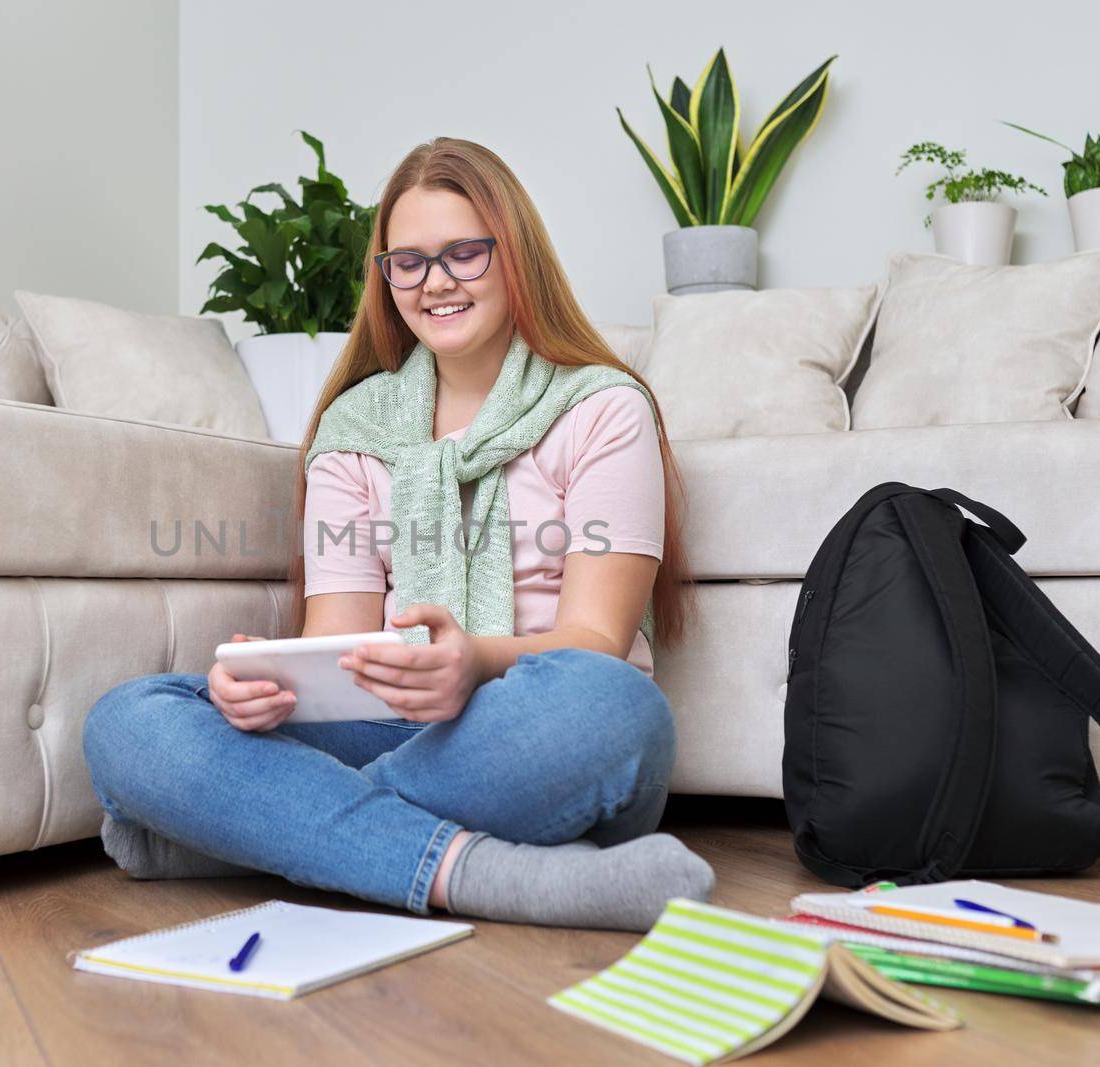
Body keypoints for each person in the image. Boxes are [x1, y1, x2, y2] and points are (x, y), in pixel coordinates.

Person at [82, 136, 713, 930]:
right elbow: (339, 644)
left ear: (515, 256)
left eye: (464, 253)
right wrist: (276, 690)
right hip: (388, 716)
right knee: (128, 718)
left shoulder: (601, 405)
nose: (435, 282)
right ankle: (484, 874)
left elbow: (596, 635)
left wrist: (474, 660)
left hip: (528, 721)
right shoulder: (355, 427)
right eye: (407, 262)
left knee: (614, 708)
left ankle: (246, 834)